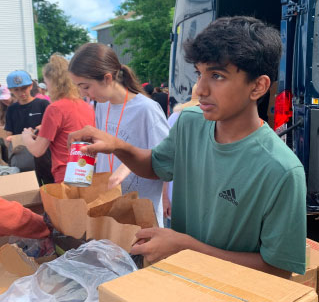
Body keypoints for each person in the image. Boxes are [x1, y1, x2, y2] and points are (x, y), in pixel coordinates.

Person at [68, 16, 307, 278]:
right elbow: (156, 166)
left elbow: (279, 270)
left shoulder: (281, 170)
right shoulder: (189, 124)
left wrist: (187, 247)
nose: (200, 88)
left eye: (217, 75)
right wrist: (117, 146)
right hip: (177, 281)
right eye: (199, 73)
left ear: (258, 86)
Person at [68, 43, 169, 227]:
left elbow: (166, 160)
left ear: (107, 78)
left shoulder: (146, 110)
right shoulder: (103, 105)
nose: (83, 94)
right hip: (111, 211)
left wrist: (129, 164)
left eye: (85, 86)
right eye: (79, 87)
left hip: (142, 214)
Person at [22, 54, 95, 183]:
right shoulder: (85, 106)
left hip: (65, 173)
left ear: (52, 82)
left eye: (46, 82)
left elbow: (38, 150)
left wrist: (26, 137)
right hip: (86, 170)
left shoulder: (55, 108)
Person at [5, 70, 53, 184]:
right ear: (11, 90)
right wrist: (10, 142)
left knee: (50, 186)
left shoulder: (43, 104)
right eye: (16, 89)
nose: (21, 92)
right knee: (28, 187)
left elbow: (53, 126)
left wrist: (41, 127)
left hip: (45, 154)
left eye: (24, 88)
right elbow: (9, 134)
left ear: (31, 86)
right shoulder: (11, 109)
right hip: (23, 156)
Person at [162, 84, 199, 224]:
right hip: (176, 198)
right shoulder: (176, 118)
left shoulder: (218, 123)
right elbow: (165, 158)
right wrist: (164, 197)